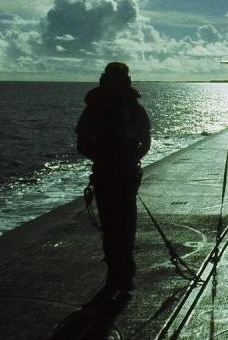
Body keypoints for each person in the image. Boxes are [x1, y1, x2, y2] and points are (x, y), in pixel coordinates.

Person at [76, 62, 151, 295]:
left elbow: (82, 145)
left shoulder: (96, 107)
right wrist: (126, 159)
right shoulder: (129, 108)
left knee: (114, 227)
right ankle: (122, 274)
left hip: (111, 173)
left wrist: (108, 159)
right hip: (117, 173)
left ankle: (119, 274)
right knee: (122, 226)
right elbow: (145, 142)